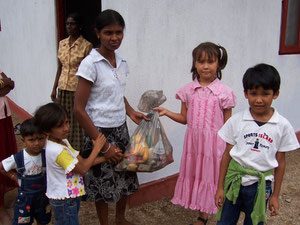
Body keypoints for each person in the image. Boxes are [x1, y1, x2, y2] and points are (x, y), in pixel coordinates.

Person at [74, 9, 148, 225]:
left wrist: (131, 111)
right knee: (102, 184)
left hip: (120, 128)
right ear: (97, 33)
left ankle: (120, 219)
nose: (114, 38)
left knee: (125, 176)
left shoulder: (122, 61)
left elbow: (117, 92)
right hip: (99, 132)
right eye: (108, 33)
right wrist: (103, 146)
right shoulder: (90, 64)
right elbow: (79, 109)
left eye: (119, 32)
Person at [155, 42, 236, 225]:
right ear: (195, 64)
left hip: (215, 145)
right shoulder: (188, 91)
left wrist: (230, 148)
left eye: (210, 61)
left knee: (214, 178)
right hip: (194, 144)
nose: (205, 66)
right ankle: (203, 215)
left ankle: (223, 214)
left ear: (219, 64)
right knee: (199, 176)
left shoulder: (224, 93)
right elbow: (185, 118)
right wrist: (167, 112)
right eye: (200, 62)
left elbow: (229, 125)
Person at [215, 63, 300, 225]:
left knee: (254, 222)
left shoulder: (282, 126)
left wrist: (275, 195)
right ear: (246, 94)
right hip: (235, 182)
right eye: (253, 93)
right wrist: (220, 187)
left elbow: (281, 162)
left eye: (265, 94)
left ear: (275, 94)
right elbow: (226, 155)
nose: (259, 100)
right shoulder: (237, 121)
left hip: (261, 187)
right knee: (224, 222)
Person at [34, 102, 106, 225]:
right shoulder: (58, 151)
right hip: (65, 200)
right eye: (60, 126)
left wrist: (106, 158)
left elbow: (82, 162)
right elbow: (83, 169)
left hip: (69, 196)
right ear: (47, 130)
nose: (67, 128)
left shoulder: (63, 142)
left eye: (67, 122)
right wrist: (97, 148)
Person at [51, 12, 93, 151]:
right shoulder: (62, 43)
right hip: (62, 88)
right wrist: (54, 87)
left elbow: (89, 71)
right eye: (67, 24)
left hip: (77, 89)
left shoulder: (86, 46)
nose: (69, 26)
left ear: (80, 26)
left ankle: (77, 151)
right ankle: (63, 148)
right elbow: (60, 66)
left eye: (73, 23)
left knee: (76, 122)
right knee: (62, 119)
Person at [0, 118, 51, 225]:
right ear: (23, 140)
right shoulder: (18, 158)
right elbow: (1, 167)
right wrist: (14, 177)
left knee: (44, 220)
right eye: (31, 140)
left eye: (40, 139)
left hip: (43, 198)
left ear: (46, 137)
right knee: (23, 222)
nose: (37, 143)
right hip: (25, 201)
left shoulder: (47, 154)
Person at [0, 70, 18, 225]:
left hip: (4, 116)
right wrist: (4, 85)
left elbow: (10, 84)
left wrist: (5, 85)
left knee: (6, 154)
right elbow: (5, 85)